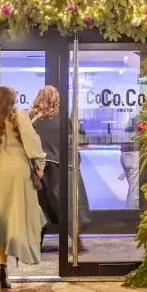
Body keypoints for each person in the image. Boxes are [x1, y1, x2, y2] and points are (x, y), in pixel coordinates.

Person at [0, 86, 47, 289]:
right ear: (12, 101)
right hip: (16, 174)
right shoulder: (18, 116)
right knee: (20, 215)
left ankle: (2, 266)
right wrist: (40, 165)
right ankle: (22, 251)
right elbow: (33, 144)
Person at [29, 85, 92, 253]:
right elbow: (82, 138)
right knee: (70, 204)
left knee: (41, 206)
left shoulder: (32, 119)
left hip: (40, 169)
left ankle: (36, 243)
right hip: (65, 167)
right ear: (57, 99)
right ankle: (76, 242)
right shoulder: (65, 118)